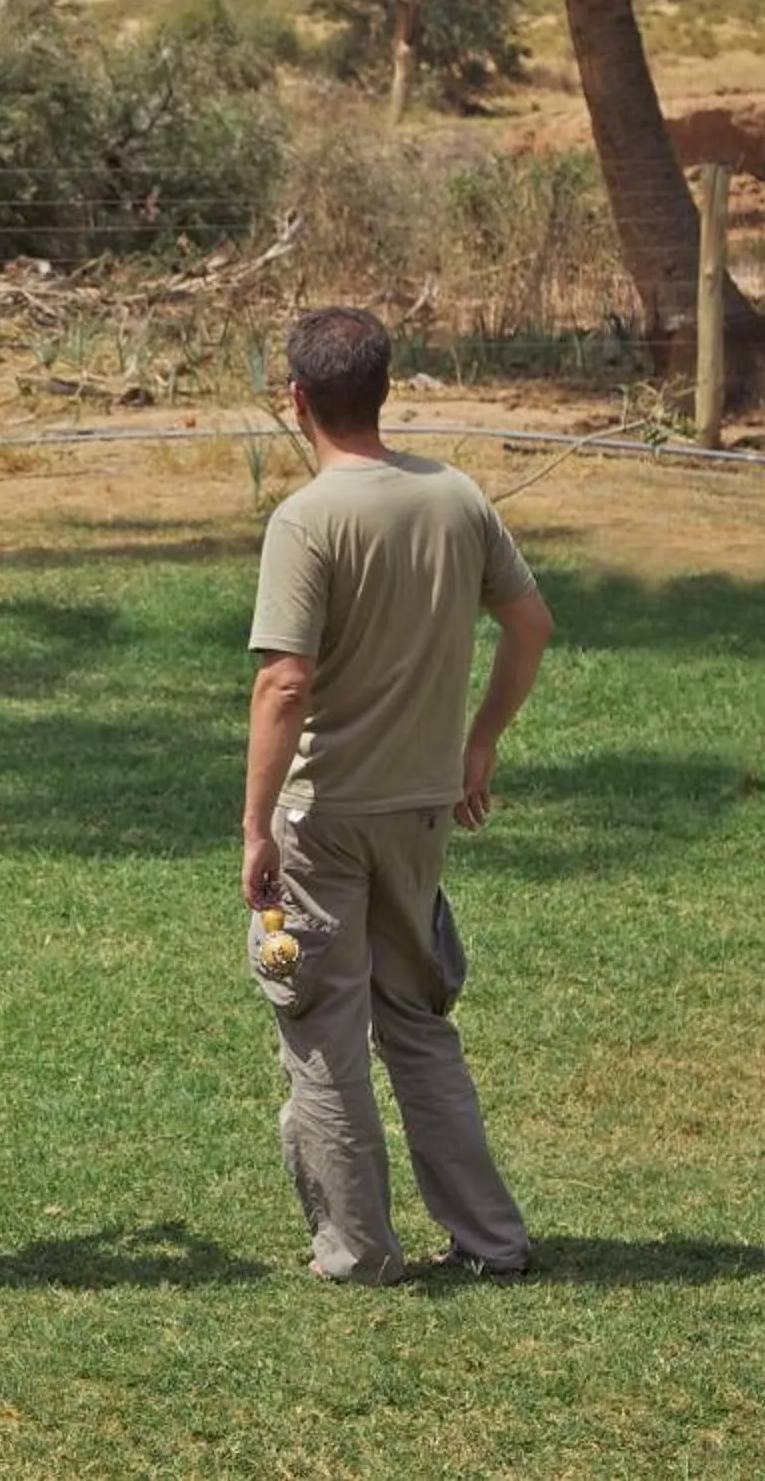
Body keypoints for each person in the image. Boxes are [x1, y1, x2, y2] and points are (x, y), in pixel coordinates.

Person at [244, 307, 556, 1285]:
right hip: (422, 809)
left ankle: (357, 1250)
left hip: (324, 814)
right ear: (385, 389)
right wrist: (479, 743)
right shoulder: (456, 496)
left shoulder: (306, 519)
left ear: (297, 399)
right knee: (418, 1024)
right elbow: (531, 624)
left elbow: (284, 681)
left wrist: (254, 825)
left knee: (325, 1035)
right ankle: (491, 1238)